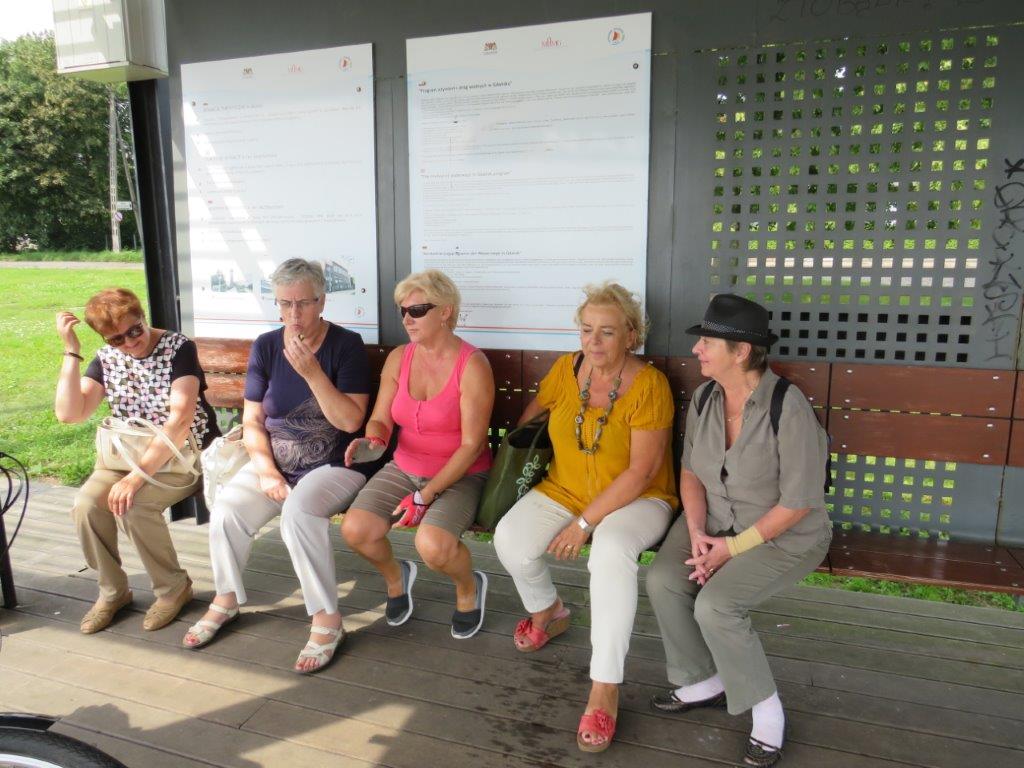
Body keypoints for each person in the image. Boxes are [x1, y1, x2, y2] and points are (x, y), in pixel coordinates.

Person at [645, 294, 831, 768]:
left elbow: (798, 503)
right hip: (712, 522)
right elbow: (691, 472)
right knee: (663, 579)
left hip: (785, 535)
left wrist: (731, 548)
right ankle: (705, 679)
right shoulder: (705, 398)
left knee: (717, 606)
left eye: (707, 342)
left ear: (742, 351)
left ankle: (766, 711)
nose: (697, 350)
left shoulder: (788, 407)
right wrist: (696, 531)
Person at [493, 282, 678, 753]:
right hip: (565, 488)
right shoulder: (566, 369)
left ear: (631, 336)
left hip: (638, 500)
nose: (593, 341)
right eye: (586, 329)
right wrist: (519, 446)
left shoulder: (650, 385)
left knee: (610, 554)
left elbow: (641, 472)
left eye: (607, 332)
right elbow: (537, 411)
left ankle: (604, 686)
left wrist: (583, 524)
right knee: (510, 538)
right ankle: (548, 611)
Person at [181, 258, 371, 675]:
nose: (294, 314)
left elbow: (350, 421)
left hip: (334, 464)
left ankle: (327, 619)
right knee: (228, 508)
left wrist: (313, 373)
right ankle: (226, 599)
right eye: (285, 303)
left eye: (303, 303)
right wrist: (266, 470)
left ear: (322, 301)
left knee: (299, 514)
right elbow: (252, 420)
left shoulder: (346, 345)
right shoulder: (267, 346)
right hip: (276, 460)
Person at [55, 288, 221, 634]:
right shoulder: (107, 358)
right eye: (117, 339)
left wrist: (135, 478)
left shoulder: (178, 348)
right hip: (125, 456)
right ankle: (113, 592)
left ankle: (173, 588)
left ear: (143, 317)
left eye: (135, 330)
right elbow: (70, 414)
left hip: (180, 456)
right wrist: (71, 352)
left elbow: (179, 421)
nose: (130, 342)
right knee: (86, 505)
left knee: (134, 505)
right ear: (105, 339)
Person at [341, 269, 494, 640]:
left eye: (418, 310)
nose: (407, 319)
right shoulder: (400, 357)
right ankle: (397, 577)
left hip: (461, 474)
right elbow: (381, 418)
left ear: (446, 311)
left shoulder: (472, 365)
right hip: (406, 466)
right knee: (356, 530)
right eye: (403, 311)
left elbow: (472, 445)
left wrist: (425, 496)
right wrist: (373, 441)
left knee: (434, 546)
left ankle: (469, 586)